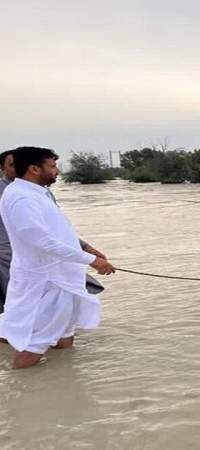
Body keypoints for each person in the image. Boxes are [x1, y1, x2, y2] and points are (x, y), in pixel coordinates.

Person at [0, 147, 115, 369]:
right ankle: (21, 394)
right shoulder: (21, 197)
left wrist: (88, 249)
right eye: (52, 166)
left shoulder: (39, 193)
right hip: (46, 281)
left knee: (65, 336)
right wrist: (92, 261)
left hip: (64, 279)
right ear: (34, 169)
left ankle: (64, 387)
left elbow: (60, 231)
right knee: (34, 345)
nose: (57, 171)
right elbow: (41, 241)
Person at [0, 150, 16, 312]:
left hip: (36, 260)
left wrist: (85, 248)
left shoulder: (41, 192)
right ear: (2, 168)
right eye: (12, 165)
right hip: (5, 259)